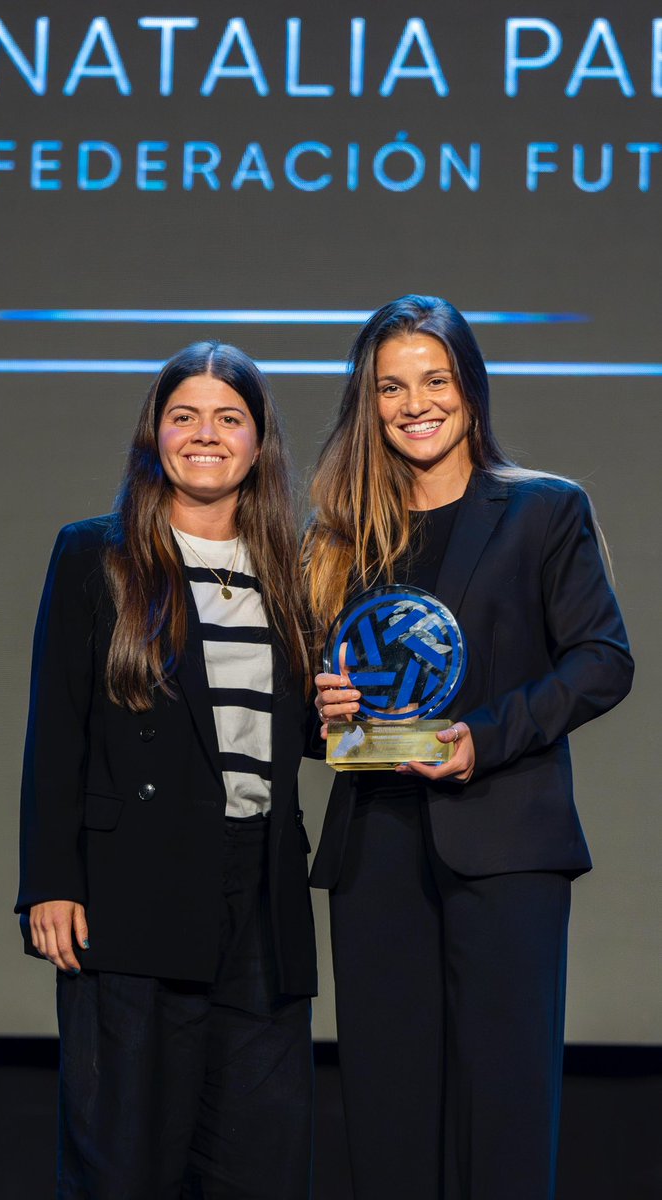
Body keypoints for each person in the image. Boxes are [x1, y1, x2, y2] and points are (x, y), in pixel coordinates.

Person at [302, 295, 634, 1200]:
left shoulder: (542, 510)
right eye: (390, 386)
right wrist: (320, 705)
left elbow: (602, 661)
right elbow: (319, 710)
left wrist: (478, 742)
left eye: (433, 380)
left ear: (470, 389)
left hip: (505, 845)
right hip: (376, 847)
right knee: (385, 1102)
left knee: (504, 1101)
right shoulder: (342, 536)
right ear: (366, 404)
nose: (414, 403)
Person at [16, 341, 317, 1200]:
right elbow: (57, 731)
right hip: (130, 889)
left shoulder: (293, 573)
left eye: (230, 418)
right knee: (125, 1160)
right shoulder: (96, 556)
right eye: (184, 417)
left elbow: (295, 732)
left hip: (260, 894)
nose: (206, 435)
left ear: (259, 443)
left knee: (258, 1160)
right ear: (155, 435)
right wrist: (50, 883)